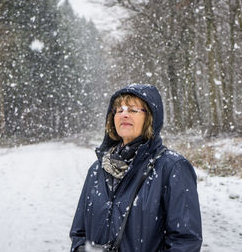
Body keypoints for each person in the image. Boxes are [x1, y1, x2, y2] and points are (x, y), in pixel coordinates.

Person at [70, 84, 202, 252]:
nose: (124, 114)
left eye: (133, 110)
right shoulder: (98, 169)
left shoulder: (172, 168)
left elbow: (186, 242)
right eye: (119, 110)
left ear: (150, 118)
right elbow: (79, 233)